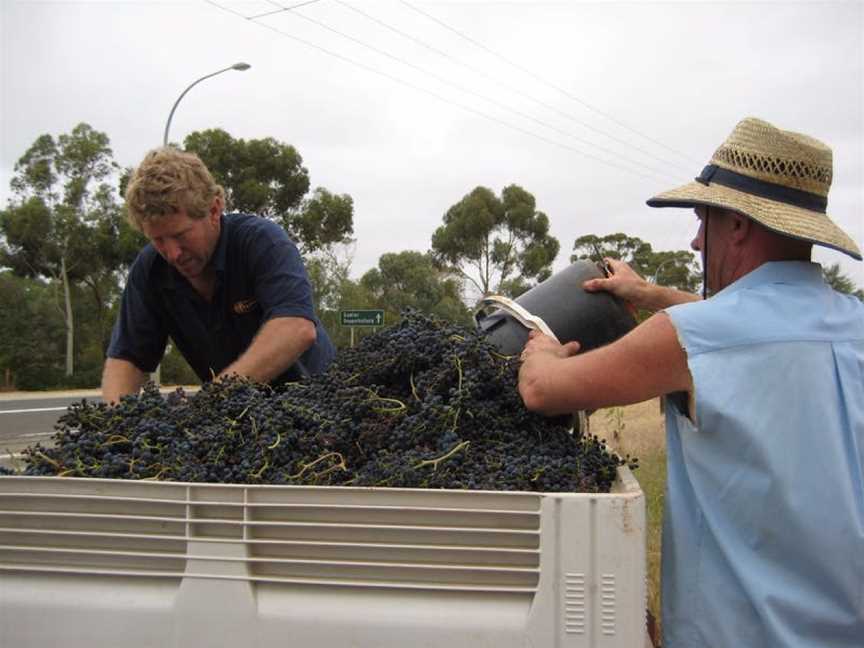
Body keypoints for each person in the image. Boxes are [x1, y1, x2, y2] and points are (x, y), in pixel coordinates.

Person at [518, 117, 863, 648]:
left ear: (740, 225)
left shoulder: (690, 338)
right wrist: (649, 292)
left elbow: (543, 390)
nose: (697, 241)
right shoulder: (852, 324)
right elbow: (748, 321)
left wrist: (539, 346)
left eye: (704, 220)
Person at [102, 147, 335, 403]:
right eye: (158, 240)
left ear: (214, 210)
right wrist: (116, 427)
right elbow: (127, 360)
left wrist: (211, 400)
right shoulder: (150, 271)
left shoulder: (262, 241)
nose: (173, 253)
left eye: (180, 235)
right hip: (236, 418)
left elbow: (296, 328)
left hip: (317, 407)